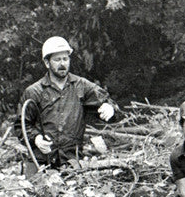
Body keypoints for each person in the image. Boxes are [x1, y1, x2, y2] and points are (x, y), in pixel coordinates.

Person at [19, 36, 117, 169]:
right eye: (57, 60)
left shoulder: (82, 86)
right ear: (47, 63)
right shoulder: (34, 91)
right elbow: (21, 126)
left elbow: (107, 103)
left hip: (71, 160)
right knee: (33, 188)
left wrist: (109, 107)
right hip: (40, 159)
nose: (62, 64)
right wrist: (36, 139)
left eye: (65, 59)